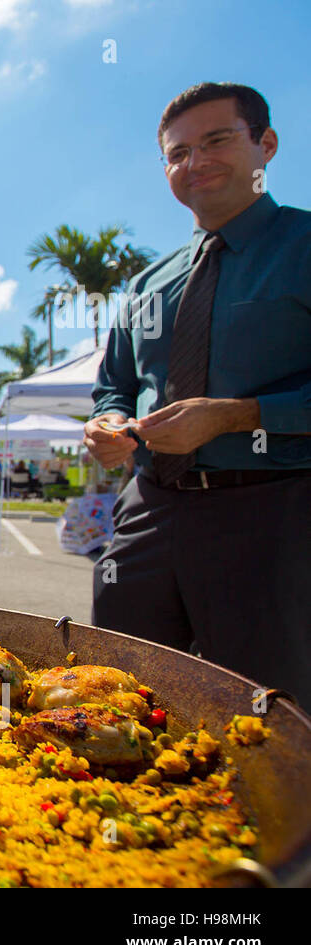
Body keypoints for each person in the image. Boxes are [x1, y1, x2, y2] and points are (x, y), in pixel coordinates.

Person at [86, 82, 311, 706]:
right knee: (120, 695)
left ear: (265, 145)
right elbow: (115, 387)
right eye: (178, 153)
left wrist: (237, 417)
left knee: (265, 712)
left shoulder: (304, 248)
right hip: (148, 513)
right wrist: (108, 425)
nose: (195, 162)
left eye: (217, 141)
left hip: (272, 515)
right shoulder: (148, 282)